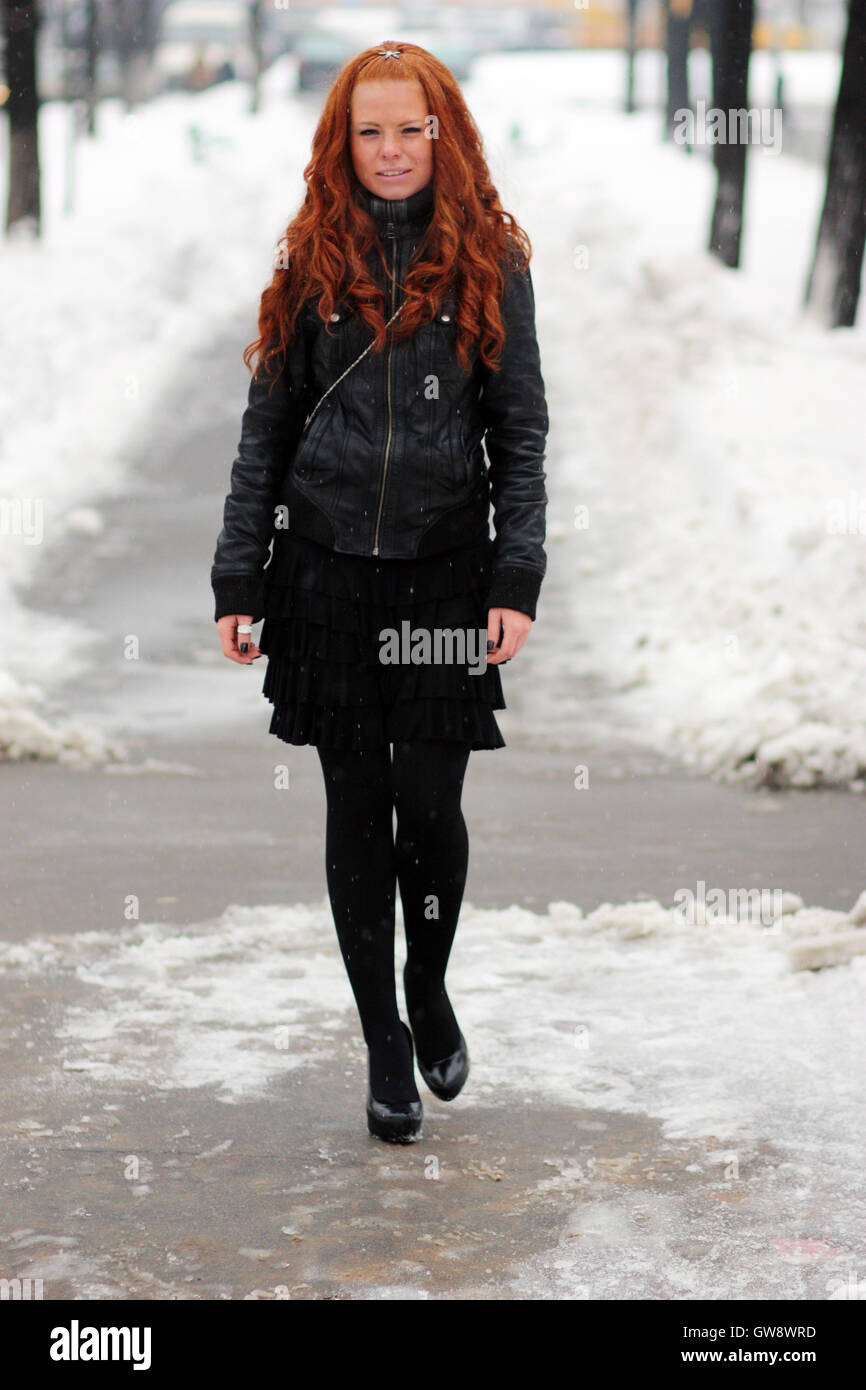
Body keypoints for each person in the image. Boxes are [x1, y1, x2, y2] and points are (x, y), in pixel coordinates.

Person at [210, 42, 549, 1143]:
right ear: (339, 143)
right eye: (369, 130)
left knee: (432, 806)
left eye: (410, 129)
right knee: (356, 806)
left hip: (445, 573)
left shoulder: (490, 260)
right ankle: (382, 1040)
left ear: (442, 134)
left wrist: (516, 571)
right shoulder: (312, 258)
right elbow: (265, 428)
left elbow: (520, 433)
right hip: (324, 575)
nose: (390, 150)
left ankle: (430, 980)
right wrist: (237, 570)